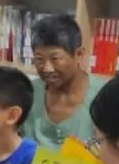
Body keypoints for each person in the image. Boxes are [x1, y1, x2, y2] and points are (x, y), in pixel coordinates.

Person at [23, 14, 106, 150]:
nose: (47, 68)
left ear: (79, 55)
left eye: (55, 59)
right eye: (39, 59)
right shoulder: (28, 93)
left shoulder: (105, 96)